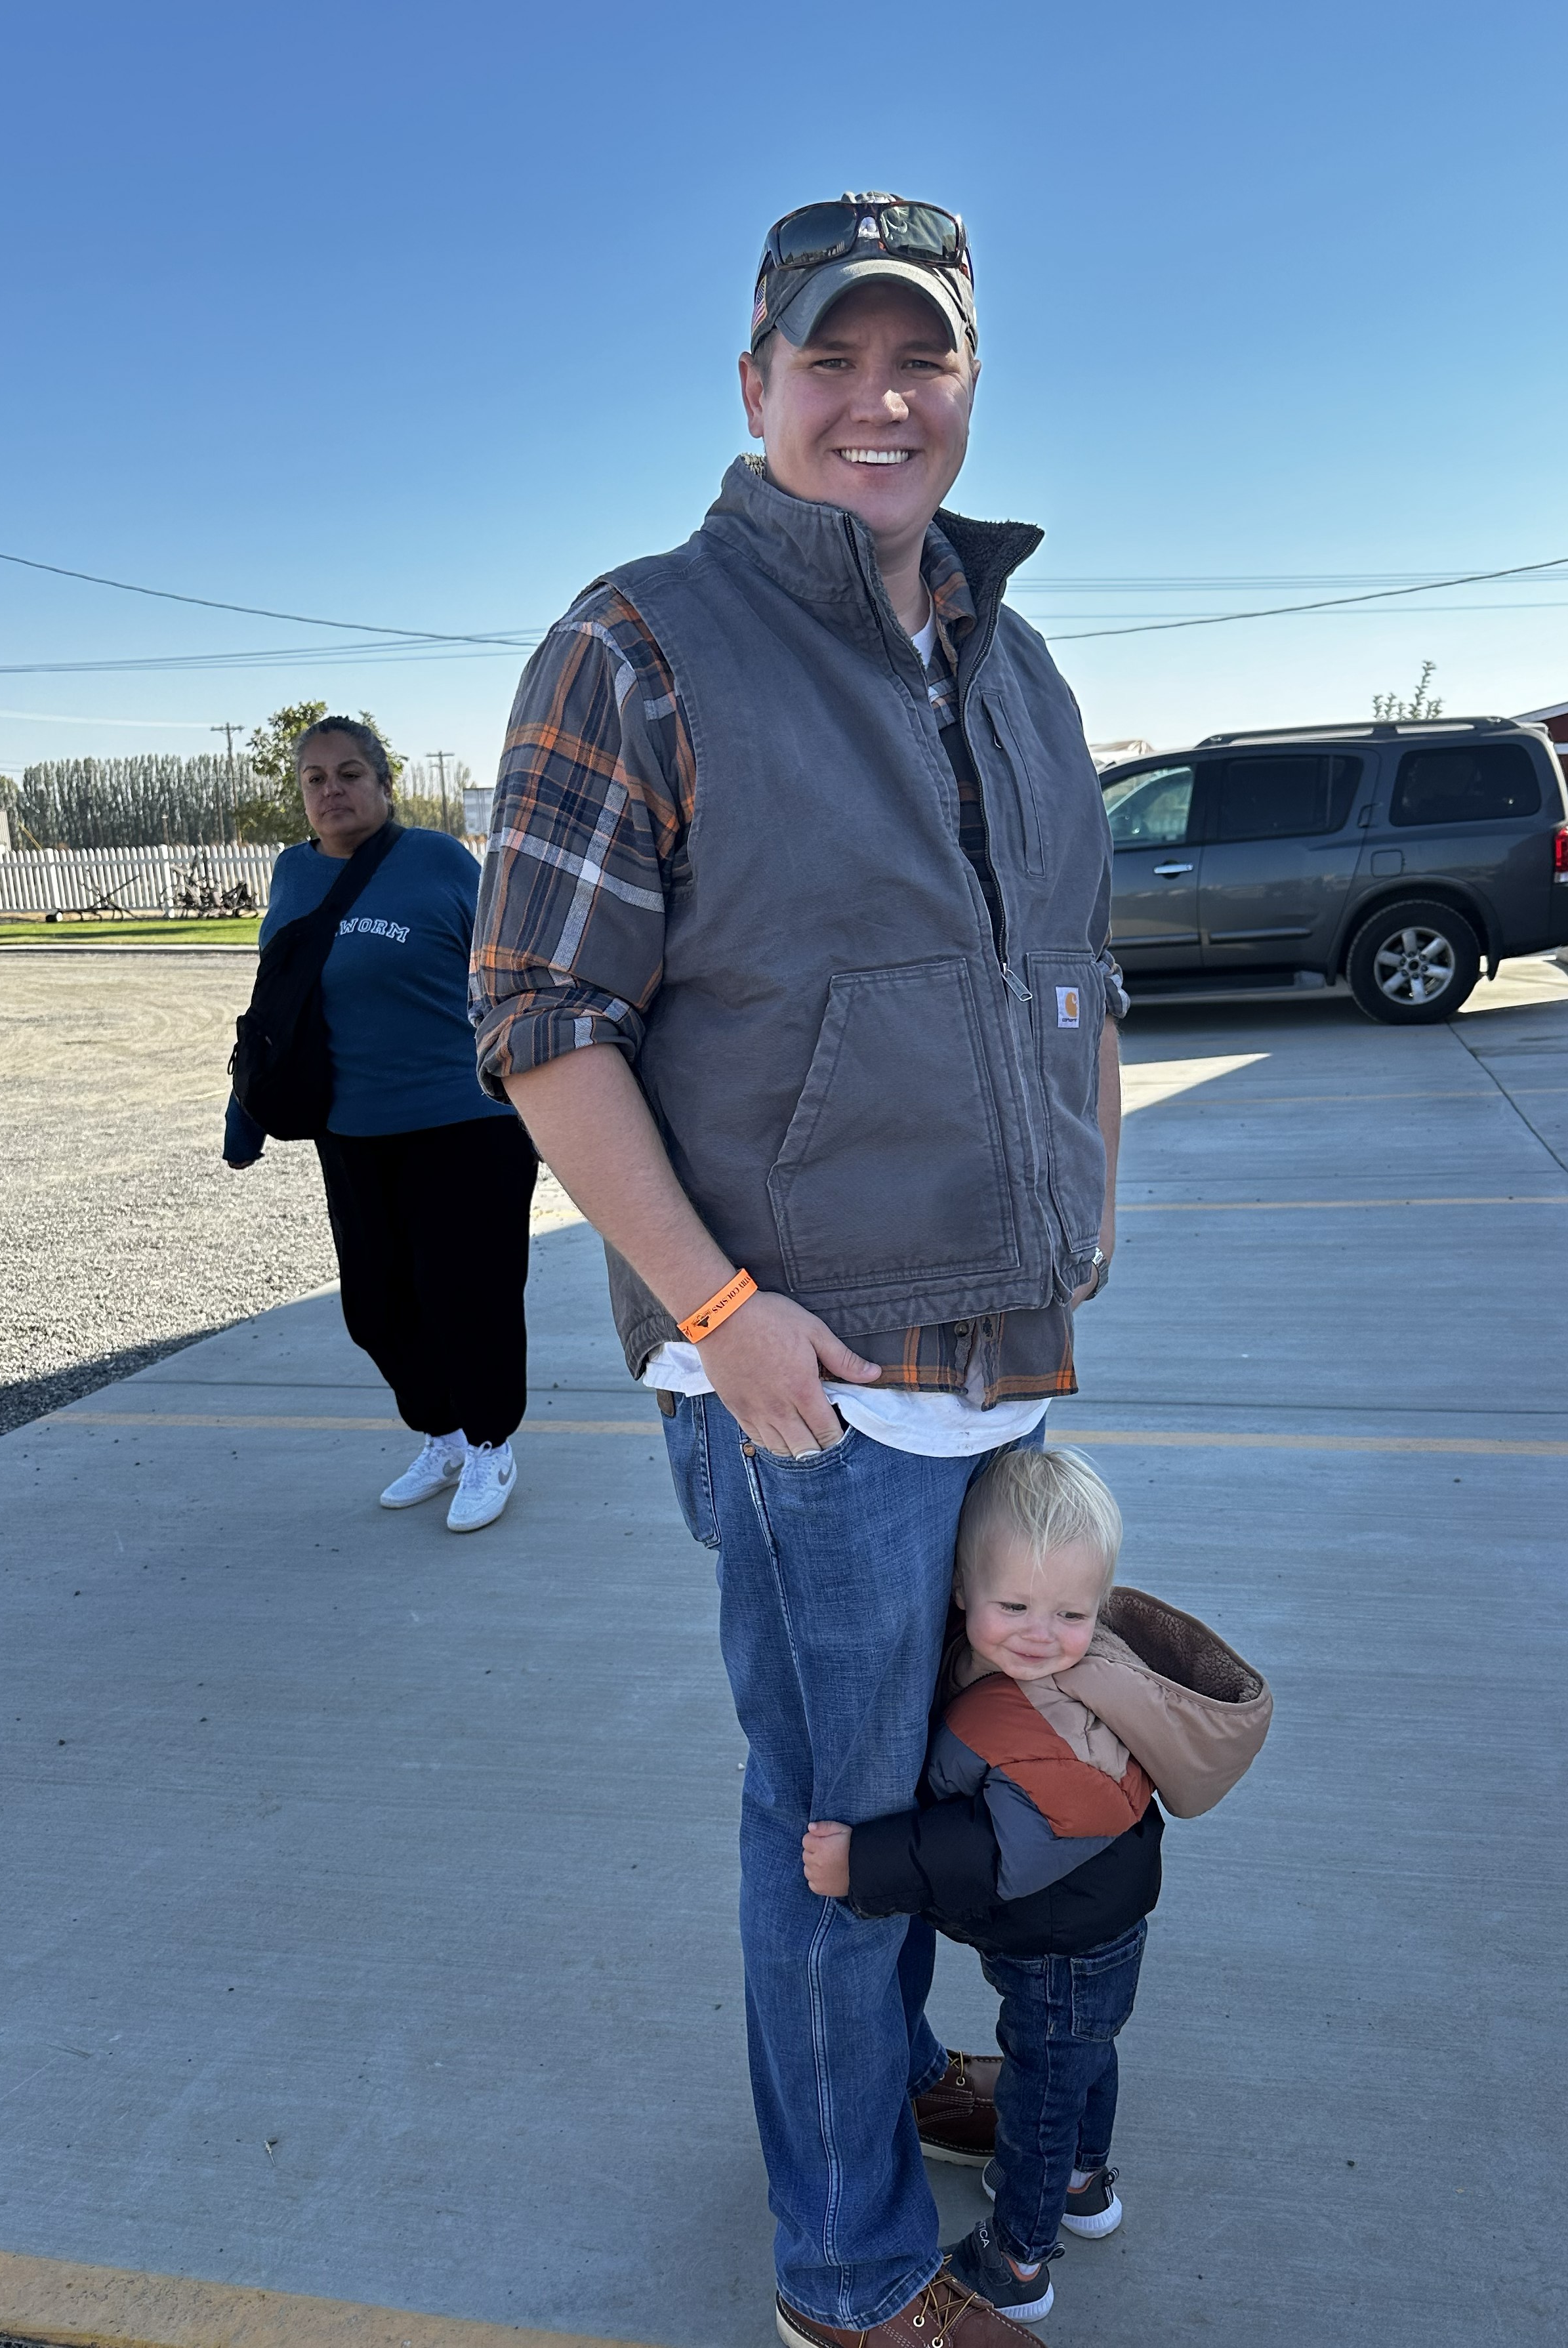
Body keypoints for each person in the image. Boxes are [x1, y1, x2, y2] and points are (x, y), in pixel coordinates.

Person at [471, 193, 1124, 2346]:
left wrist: (1080, 1232)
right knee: (836, 1819)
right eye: (826, 360)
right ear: (752, 387)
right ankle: (843, 2271)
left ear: (966, 383)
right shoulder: (640, 640)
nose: (876, 400)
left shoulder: (1010, 664)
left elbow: (1068, 982)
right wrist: (724, 1316)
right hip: (812, 1383)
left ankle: (866, 2085)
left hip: (999, 1352)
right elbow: (542, 1015)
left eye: (914, 357)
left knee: (936, 1791)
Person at [802, 1448, 1170, 2327]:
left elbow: (987, 1851)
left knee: (1043, 2084)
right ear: (962, 1589)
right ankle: (1083, 2181)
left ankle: (1017, 2257)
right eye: (1016, 1606)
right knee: (1086, 2054)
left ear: (1102, 1605)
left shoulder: (1040, 1720)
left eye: (1071, 1613)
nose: (1041, 1634)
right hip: (1099, 1927)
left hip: (1058, 1942)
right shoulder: (1065, 1676)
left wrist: (865, 1862)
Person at [226, 717, 537, 1534]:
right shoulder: (292, 873)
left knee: (467, 1293)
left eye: (351, 773)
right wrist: (247, 1108)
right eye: (316, 778)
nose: (333, 790)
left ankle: (491, 1442)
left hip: (464, 1123)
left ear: (384, 784)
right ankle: (441, 1434)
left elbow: (508, 971)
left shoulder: (437, 860)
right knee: (376, 1304)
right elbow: (277, 1003)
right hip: (353, 1131)